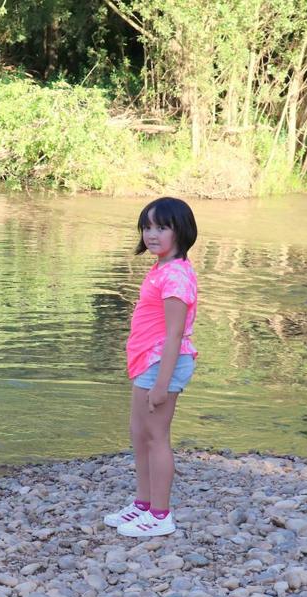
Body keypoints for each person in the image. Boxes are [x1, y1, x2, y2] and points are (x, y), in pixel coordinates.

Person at [105, 197, 199, 538]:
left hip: (163, 363)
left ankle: (161, 515)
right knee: (139, 433)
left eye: (162, 227)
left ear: (181, 231)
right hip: (148, 360)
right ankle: (142, 504)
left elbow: (174, 335)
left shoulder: (175, 276)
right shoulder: (162, 268)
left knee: (156, 437)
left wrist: (162, 384)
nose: (151, 234)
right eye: (147, 226)